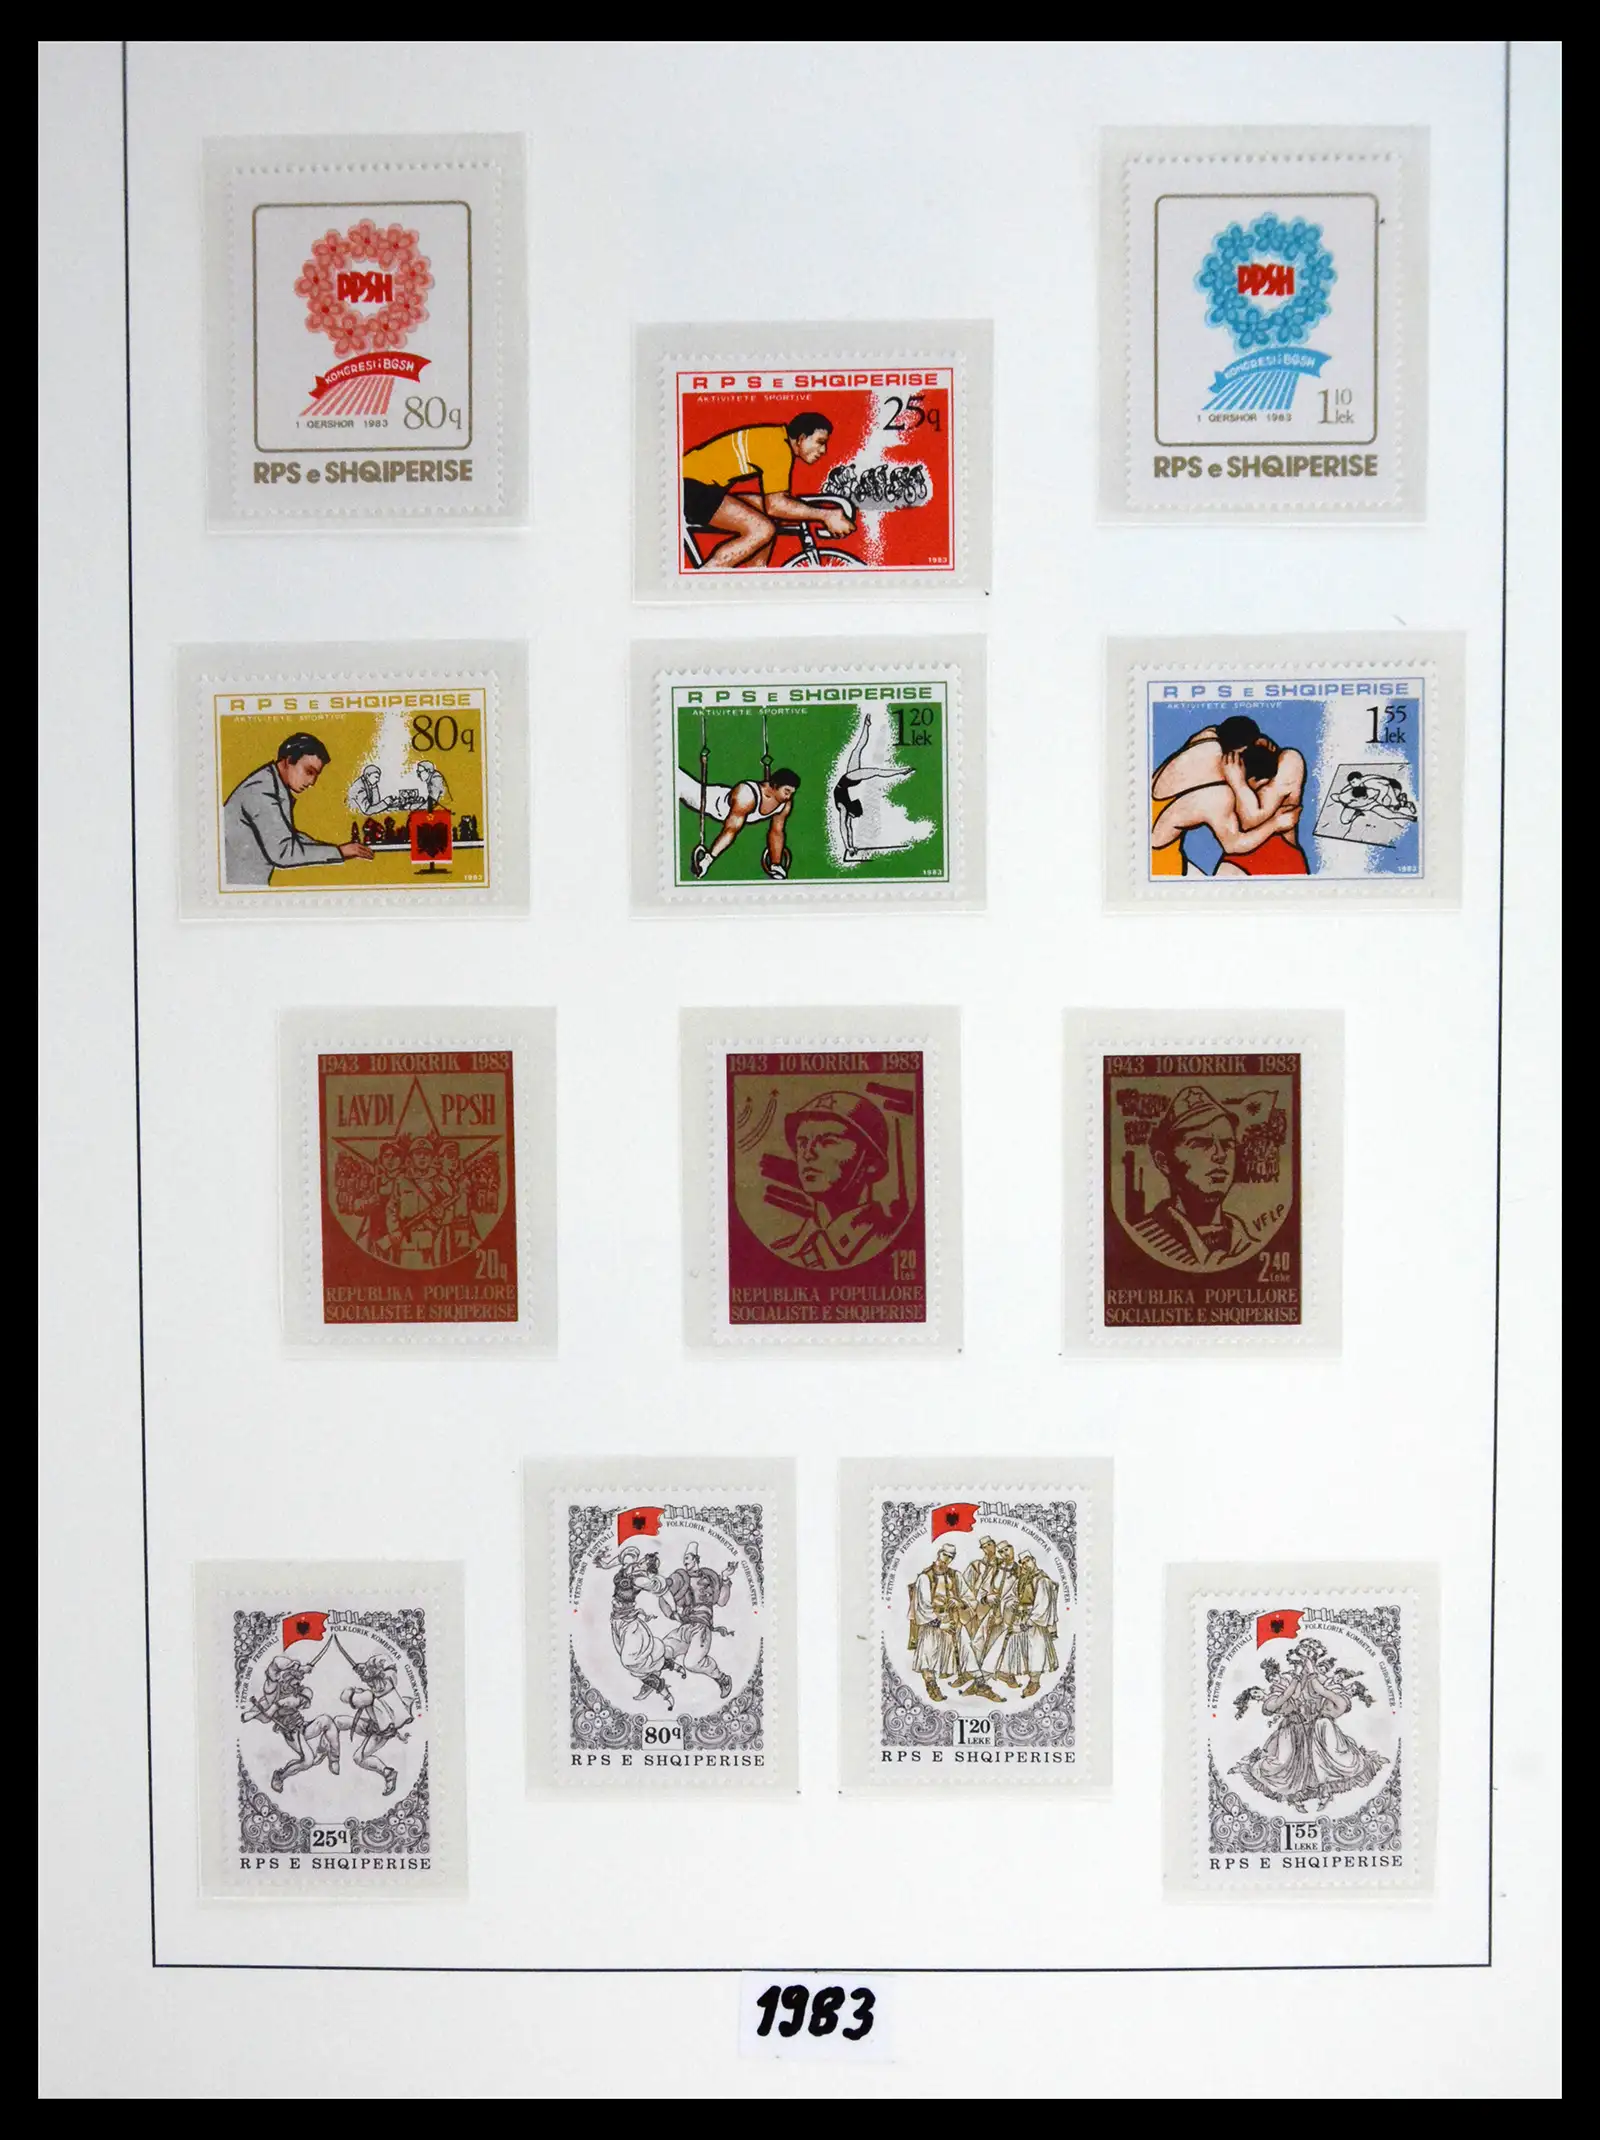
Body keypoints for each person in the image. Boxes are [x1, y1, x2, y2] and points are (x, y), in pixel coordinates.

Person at [1130, 1083, 1280, 1271]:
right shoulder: (1143, 1241)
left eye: (1227, 1145)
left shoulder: (1248, 1245)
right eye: (1201, 1144)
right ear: (1164, 1162)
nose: (1220, 1155)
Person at [681, 410, 856, 569]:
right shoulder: (778, 448)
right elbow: (776, 505)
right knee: (762, 530)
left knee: (766, 516)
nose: (823, 450)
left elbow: (774, 506)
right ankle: (708, 574)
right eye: (820, 442)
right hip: (690, 487)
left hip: (697, 484)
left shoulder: (776, 438)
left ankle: (756, 572)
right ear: (802, 438)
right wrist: (826, 515)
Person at [1231, 1637, 1387, 1811]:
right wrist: (1299, 1678)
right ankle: (1294, 1795)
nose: (1307, 1658)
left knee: (1322, 1757)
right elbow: (1289, 1698)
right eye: (1304, 1654)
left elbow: (1323, 1694)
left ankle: (1322, 1792)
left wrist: (1311, 1676)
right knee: (1289, 1761)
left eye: (1311, 1654)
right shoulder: (1285, 1684)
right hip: (1295, 1726)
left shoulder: (1323, 1683)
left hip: (1316, 1726)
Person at [1150, 714, 1307, 878]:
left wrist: (1240, 783)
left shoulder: (1209, 737)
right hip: (1165, 860)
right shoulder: (1220, 793)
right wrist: (1238, 783)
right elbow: (1244, 828)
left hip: (1275, 857)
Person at [222, 732, 373, 887]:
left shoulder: (272, 783)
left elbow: (289, 837)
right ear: (288, 761)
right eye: (309, 771)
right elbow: (284, 852)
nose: (312, 782)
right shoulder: (261, 790)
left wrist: (338, 850)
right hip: (236, 885)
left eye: (316, 775)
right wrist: (340, 852)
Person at [772, 1091, 901, 1271]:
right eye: (802, 1143)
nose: (808, 1154)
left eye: (828, 1142)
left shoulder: (889, 1242)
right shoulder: (783, 1252)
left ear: (871, 1162)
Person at [676, 765, 799, 878]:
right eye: (786, 792)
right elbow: (730, 830)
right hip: (706, 799)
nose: (788, 797)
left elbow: (777, 832)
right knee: (677, 782)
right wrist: (707, 860)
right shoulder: (747, 795)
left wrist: (776, 864)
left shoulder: (785, 804)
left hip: (726, 798)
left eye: (791, 793)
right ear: (775, 785)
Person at [592, 1543, 676, 1708]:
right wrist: (605, 1564)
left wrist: (673, 1610)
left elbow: (663, 1591)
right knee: (627, 1658)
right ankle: (660, 1674)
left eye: (645, 1562)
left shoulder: (641, 1580)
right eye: (643, 1559)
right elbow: (619, 1560)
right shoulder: (631, 1563)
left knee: (629, 1660)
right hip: (617, 1620)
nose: (641, 1562)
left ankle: (661, 1674)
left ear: (648, 1569)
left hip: (630, 1623)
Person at [660, 1544, 738, 1698]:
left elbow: (722, 1601)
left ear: (695, 1559)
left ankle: (722, 1678)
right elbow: (663, 1595)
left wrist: (725, 1578)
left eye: (687, 1558)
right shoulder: (680, 1578)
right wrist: (672, 1614)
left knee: (691, 1663)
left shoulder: (710, 1578)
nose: (685, 1561)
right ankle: (654, 1681)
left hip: (701, 1628)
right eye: (684, 1558)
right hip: (685, 1627)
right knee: (660, 1651)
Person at [995, 1553, 1059, 1700]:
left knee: (1035, 1649)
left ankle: (1034, 1682)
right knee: (1013, 1644)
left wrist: (1028, 1623)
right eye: (1022, 1562)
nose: (1025, 1565)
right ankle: (1008, 1674)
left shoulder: (1042, 1580)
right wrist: (1011, 1603)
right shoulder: (1022, 1579)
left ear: (1033, 1560)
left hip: (1034, 1622)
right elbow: (1011, 1596)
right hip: (1020, 1617)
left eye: (1027, 1561)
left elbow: (1042, 1606)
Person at [908, 1540, 965, 1701]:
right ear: (939, 1554)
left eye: (951, 1557)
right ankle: (931, 1686)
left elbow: (967, 1596)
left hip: (950, 1621)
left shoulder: (955, 1575)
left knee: (945, 1660)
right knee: (928, 1655)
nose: (947, 1559)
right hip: (931, 1624)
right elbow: (923, 1606)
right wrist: (940, 1624)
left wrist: (958, 1602)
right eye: (945, 1555)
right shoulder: (925, 1577)